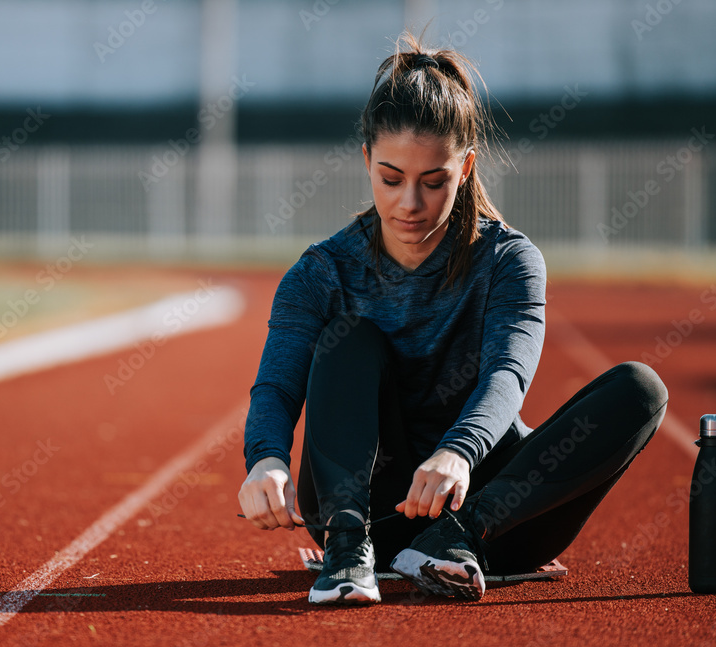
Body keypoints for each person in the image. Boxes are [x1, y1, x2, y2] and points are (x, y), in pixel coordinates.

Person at [237, 33, 668, 606]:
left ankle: (452, 542)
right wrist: (265, 458)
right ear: (366, 160)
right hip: (362, 513)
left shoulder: (510, 262)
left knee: (641, 387)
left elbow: (507, 376)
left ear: (465, 168)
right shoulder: (321, 272)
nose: (409, 204)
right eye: (391, 178)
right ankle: (347, 552)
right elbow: (277, 382)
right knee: (350, 339)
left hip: (490, 515)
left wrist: (459, 452)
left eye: (433, 181)